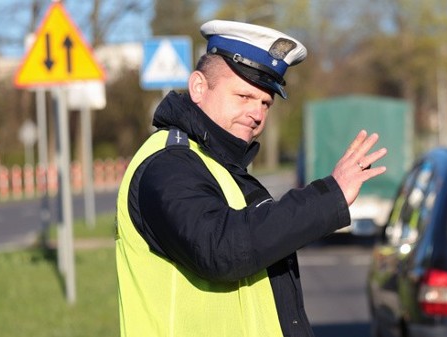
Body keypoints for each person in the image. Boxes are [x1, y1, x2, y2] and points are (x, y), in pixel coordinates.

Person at [115, 20, 388, 337]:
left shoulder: (220, 164)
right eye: (244, 96)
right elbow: (223, 249)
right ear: (199, 87)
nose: (257, 114)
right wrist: (329, 195)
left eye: (265, 103)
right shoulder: (169, 164)